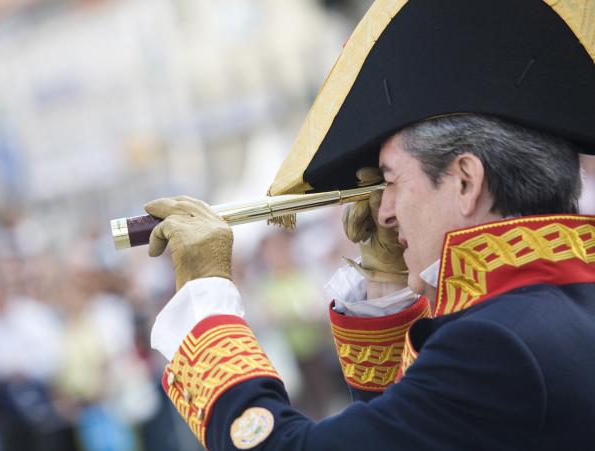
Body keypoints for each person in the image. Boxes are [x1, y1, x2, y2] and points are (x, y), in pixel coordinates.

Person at [144, 1, 595, 449]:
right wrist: (384, 283)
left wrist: (205, 298)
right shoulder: (549, 308)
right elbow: (398, 425)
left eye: (393, 181)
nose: (384, 211)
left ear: (464, 181)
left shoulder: (494, 343)